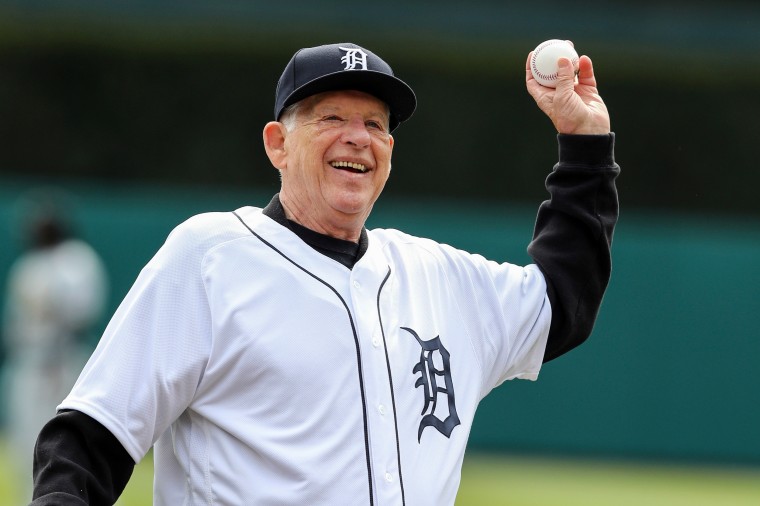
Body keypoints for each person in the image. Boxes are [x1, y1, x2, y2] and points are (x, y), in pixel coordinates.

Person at [30, 42, 619, 505]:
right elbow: (90, 437)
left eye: (375, 123)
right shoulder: (210, 256)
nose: (357, 137)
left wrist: (584, 143)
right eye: (331, 116)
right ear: (278, 144)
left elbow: (562, 299)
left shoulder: (436, 275)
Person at [2, 190, 108, 501]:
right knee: (25, 442)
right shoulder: (28, 265)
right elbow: (16, 323)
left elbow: (81, 311)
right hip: (28, 363)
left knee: (68, 440)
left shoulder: (77, 258)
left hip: (64, 360)